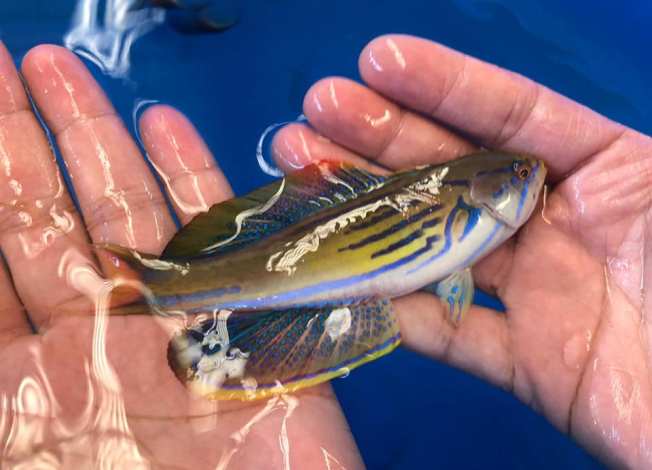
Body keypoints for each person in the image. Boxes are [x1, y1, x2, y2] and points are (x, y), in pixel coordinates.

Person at [0, 34, 648, 468]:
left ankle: (153, 291)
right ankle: (150, 291)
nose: (528, 177)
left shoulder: (472, 222)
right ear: (479, 192)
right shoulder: (469, 217)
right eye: (511, 177)